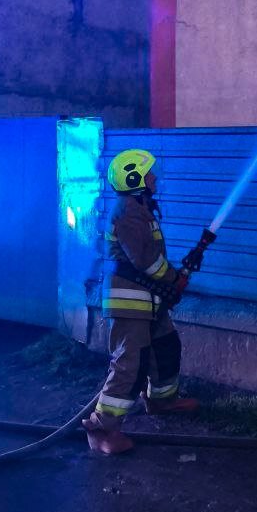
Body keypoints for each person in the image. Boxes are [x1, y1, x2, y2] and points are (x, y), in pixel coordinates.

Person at [83, 147, 199, 456]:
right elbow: (146, 260)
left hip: (147, 299)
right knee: (129, 363)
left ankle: (162, 401)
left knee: (166, 345)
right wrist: (174, 280)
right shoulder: (128, 211)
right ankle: (102, 428)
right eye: (149, 173)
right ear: (135, 178)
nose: (154, 177)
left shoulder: (140, 207)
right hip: (130, 301)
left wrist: (169, 285)